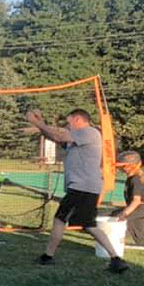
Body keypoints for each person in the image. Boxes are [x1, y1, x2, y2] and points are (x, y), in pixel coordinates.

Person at [26, 108, 129, 273]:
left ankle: (48, 256)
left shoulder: (89, 132)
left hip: (82, 187)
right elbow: (54, 137)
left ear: (78, 120)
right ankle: (116, 259)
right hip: (85, 187)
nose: (68, 126)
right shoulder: (78, 138)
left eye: (69, 122)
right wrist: (40, 123)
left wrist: (35, 122)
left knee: (60, 218)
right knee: (89, 224)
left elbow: (60, 135)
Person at [111, 151, 144, 247]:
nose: (120, 169)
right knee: (141, 241)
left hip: (139, 209)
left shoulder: (135, 180)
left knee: (116, 218)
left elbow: (136, 201)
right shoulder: (131, 179)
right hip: (140, 210)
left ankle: (115, 241)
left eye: (122, 166)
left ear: (131, 166)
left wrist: (124, 213)